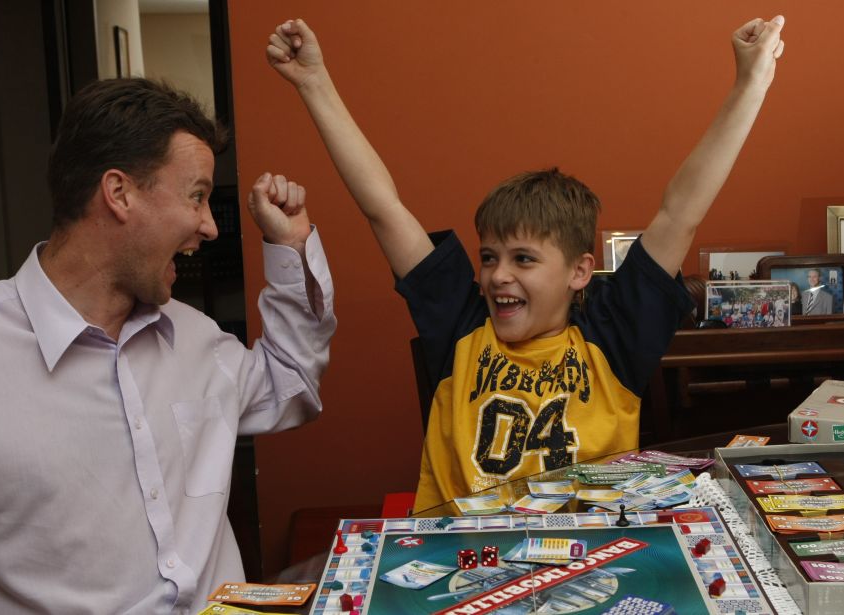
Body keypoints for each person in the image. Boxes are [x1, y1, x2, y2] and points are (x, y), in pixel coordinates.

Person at [267, 15, 784, 509]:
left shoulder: (612, 337)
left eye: (523, 259)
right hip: (464, 564)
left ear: (579, 272)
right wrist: (314, 84)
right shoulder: (462, 326)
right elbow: (383, 207)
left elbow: (681, 212)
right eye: (489, 257)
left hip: (589, 560)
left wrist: (750, 84)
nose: (497, 276)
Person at [0, 79, 336, 613]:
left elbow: (291, 388)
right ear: (120, 193)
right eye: (197, 195)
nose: (209, 225)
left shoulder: (195, 336)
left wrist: (290, 246)